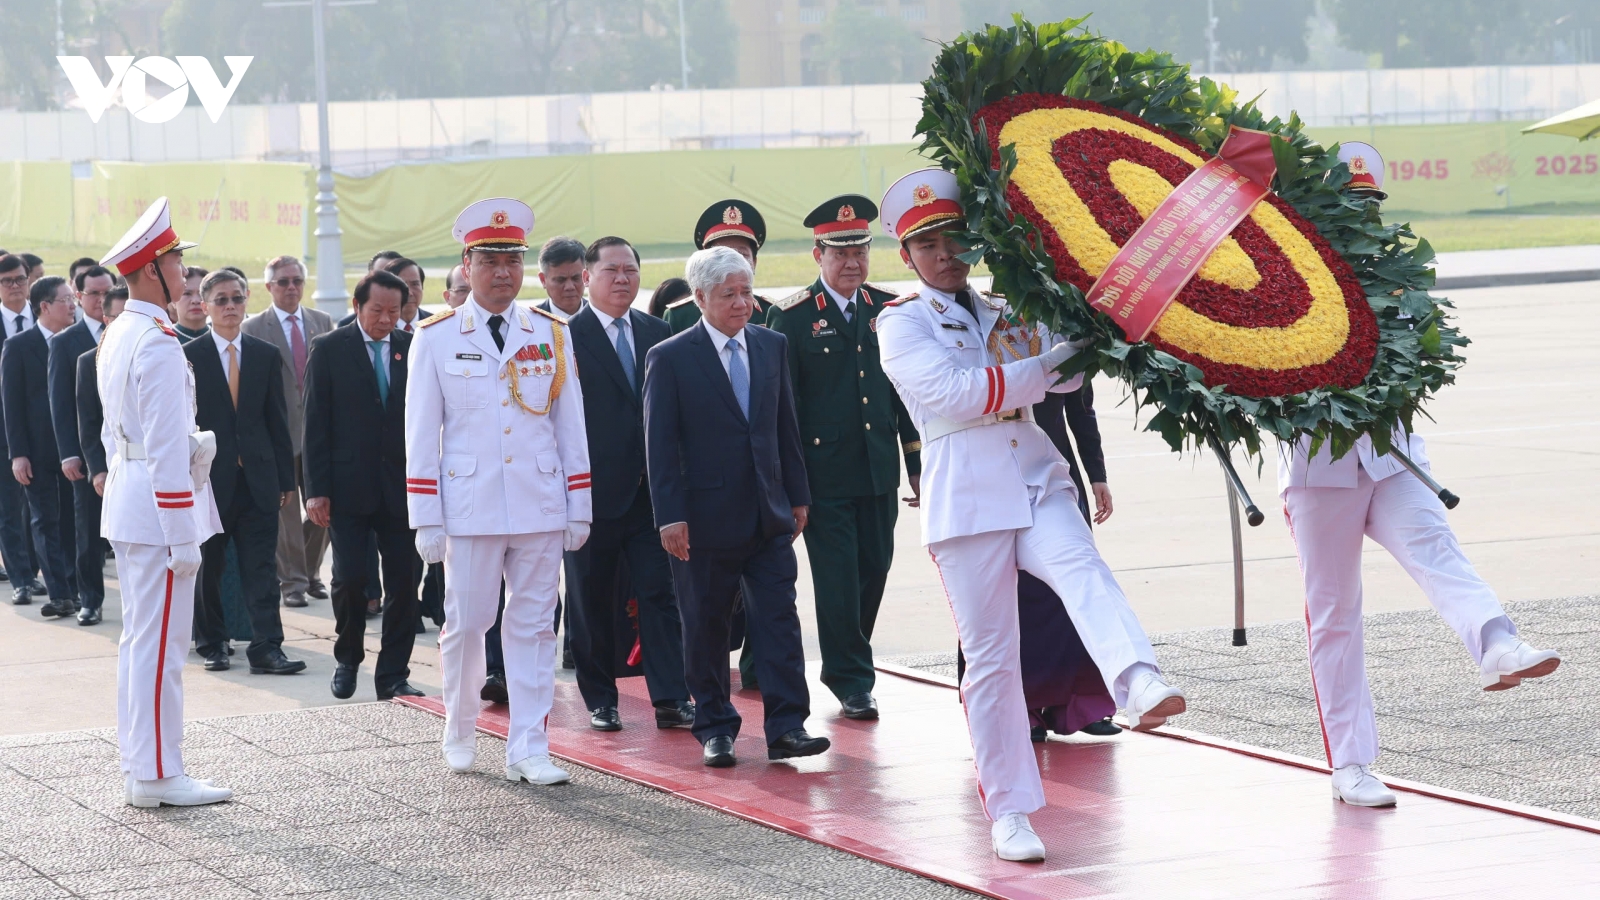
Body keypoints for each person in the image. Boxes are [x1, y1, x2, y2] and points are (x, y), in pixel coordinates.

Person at [875, 169, 1183, 863]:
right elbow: (953, 393)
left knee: (1083, 569)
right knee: (990, 662)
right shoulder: (900, 322)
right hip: (967, 495)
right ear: (908, 256)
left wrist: (1082, 328)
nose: (946, 254)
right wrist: (1046, 367)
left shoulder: (1003, 305)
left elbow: (1068, 376)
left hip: (1035, 474)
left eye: (955, 239)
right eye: (929, 245)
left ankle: (1138, 681)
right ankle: (1010, 811)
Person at [405, 197, 589, 786]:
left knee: (535, 626)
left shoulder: (551, 331)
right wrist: (424, 517)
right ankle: (460, 727)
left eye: (513, 259)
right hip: (471, 506)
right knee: (466, 622)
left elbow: (570, 427)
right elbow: (420, 436)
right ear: (468, 263)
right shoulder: (435, 338)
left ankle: (529, 745)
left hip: (537, 501)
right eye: (490, 260)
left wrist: (578, 504)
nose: (503, 272)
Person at [1278, 431, 1561, 807]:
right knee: (1334, 614)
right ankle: (1349, 764)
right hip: (1316, 470)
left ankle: (1497, 643)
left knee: (1438, 552)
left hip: (1394, 455)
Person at [644, 245, 826, 769]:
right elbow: (660, 444)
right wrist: (669, 516)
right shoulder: (672, 356)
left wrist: (798, 495)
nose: (743, 303)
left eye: (747, 292)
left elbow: (784, 426)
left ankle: (787, 726)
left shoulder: (771, 345)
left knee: (779, 622)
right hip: (702, 522)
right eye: (729, 295)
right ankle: (716, 726)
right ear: (700, 298)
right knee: (705, 625)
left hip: (768, 515)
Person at [765, 195, 921, 721]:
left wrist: (917, 464)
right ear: (817, 254)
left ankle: (850, 658)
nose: (852, 262)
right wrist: (788, 484)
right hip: (822, 477)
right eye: (840, 252)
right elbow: (783, 407)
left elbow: (905, 396)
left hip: (879, 469)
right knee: (836, 579)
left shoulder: (888, 309)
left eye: (860, 251)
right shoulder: (791, 316)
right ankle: (851, 678)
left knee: (874, 569)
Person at [98, 196, 229, 807]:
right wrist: (183, 534)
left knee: (140, 643)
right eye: (177, 261)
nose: (186, 273)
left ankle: (141, 763)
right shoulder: (155, 341)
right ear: (153, 269)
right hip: (157, 509)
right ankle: (156, 774)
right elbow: (167, 449)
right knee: (160, 648)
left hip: (131, 498)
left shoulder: (122, 330)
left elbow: (114, 434)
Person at [567, 236, 692, 731]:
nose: (622, 279)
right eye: (611, 270)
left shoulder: (657, 330)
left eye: (630, 270)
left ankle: (670, 696)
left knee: (660, 595)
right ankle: (601, 698)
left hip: (650, 495)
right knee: (591, 601)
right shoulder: (563, 336)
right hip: (589, 495)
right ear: (587, 279)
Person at [305, 269, 424, 701]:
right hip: (346, 486)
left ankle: (393, 673)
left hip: (403, 488)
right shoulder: (330, 348)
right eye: (377, 310)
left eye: (395, 311)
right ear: (358, 307)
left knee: (404, 583)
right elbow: (315, 422)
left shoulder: (413, 349)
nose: (386, 319)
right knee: (350, 578)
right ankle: (348, 655)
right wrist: (315, 489)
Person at [185, 270, 303, 676]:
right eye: (221, 300)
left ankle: (268, 647)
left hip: (258, 481)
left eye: (236, 298)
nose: (230, 306)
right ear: (205, 306)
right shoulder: (191, 357)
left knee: (261, 568)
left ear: (247, 300)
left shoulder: (265, 354)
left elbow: (278, 421)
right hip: (209, 483)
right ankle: (213, 644)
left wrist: (286, 481)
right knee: (210, 566)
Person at [241, 255, 333, 609]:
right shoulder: (254, 328)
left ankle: (310, 572)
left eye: (297, 280)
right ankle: (292, 582)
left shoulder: (321, 321)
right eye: (283, 282)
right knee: (286, 514)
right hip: (277, 436)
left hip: (318, 434)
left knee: (323, 511)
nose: (291, 287)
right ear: (268, 288)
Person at [4, 276, 82, 617]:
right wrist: (17, 453)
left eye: (73, 299)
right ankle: (58, 592)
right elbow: (11, 404)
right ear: (45, 306)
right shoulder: (20, 346)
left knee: (73, 522)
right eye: (65, 300)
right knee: (44, 520)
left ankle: (76, 589)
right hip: (35, 451)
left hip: (74, 448)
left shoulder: (79, 342)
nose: (72, 306)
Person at [49, 265, 114, 625]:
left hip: (128, 449)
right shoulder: (65, 343)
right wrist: (69, 453)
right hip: (88, 455)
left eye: (107, 292)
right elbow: (60, 403)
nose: (101, 300)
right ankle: (89, 598)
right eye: (94, 294)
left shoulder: (127, 334)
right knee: (87, 531)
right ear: (79, 296)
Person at [664, 201, 774, 333]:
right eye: (723, 254)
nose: (733, 263)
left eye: (742, 254)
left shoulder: (771, 312)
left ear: (754, 262)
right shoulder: (680, 315)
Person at [0, 254, 42, 602]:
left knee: (42, 510)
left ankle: (41, 571)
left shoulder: (45, 319)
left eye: (19, 279)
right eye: (6, 281)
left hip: (45, 430)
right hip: (3, 432)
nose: (14, 286)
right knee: (9, 510)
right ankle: (21, 578)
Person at [77, 285, 127, 506]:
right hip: (112, 463)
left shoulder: (153, 353)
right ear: (106, 320)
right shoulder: (90, 362)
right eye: (120, 317)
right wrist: (98, 469)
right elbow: (88, 421)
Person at [536, 236, 587, 318]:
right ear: (543, 280)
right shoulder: (530, 323)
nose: (570, 287)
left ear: (586, 276)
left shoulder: (602, 318)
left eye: (576, 278)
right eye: (560, 280)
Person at [172, 267, 209, 342]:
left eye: (201, 294)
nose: (195, 301)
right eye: (187, 293)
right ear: (173, 300)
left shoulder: (223, 339)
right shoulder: (164, 339)